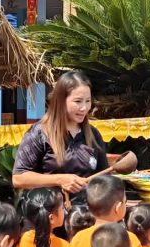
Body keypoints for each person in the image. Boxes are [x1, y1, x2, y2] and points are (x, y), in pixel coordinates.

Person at [13, 71, 109, 206]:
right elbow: (18, 178)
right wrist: (59, 180)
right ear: (61, 101)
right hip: (49, 212)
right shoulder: (39, 133)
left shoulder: (93, 135)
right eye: (78, 101)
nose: (84, 108)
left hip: (84, 215)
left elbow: (104, 178)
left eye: (88, 101)